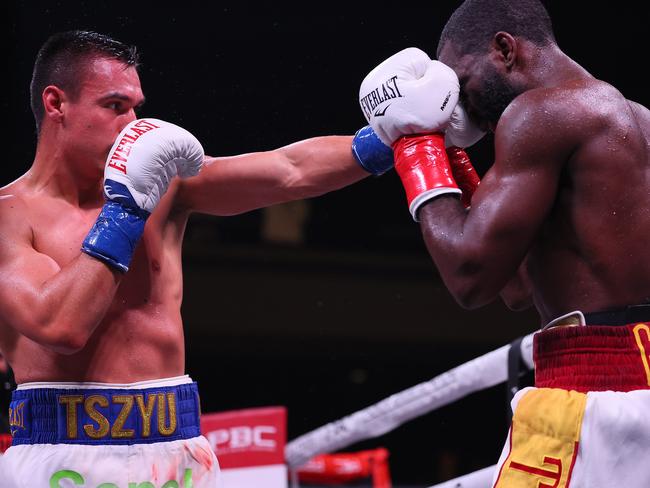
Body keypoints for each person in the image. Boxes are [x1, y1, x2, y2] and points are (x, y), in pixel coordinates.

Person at [0, 30, 396, 487]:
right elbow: (60, 327)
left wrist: (389, 141)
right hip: (60, 458)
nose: (132, 124)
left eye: (135, 107)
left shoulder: (168, 186)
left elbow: (290, 170)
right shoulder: (10, 217)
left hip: (176, 451)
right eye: (114, 106)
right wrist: (125, 210)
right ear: (56, 104)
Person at [358, 0, 650, 487]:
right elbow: (514, 287)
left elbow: (470, 278)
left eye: (461, 80)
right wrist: (456, 161)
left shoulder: (540, 113)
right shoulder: (637, 119)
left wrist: (418, 149)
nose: (457, 105)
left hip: (592, 386)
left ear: (504, 50)